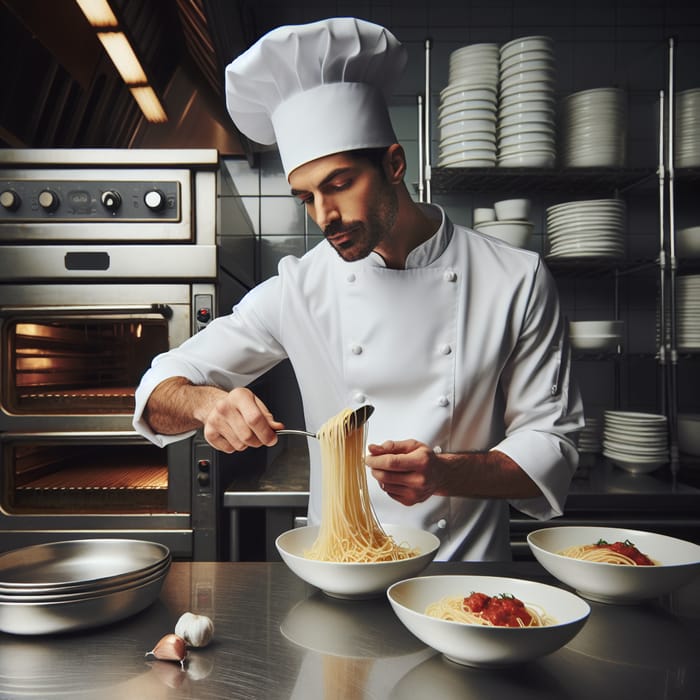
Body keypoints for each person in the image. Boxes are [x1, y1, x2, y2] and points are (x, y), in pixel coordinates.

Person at [133, 17, 583, 561]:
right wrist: (208, 404)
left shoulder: (516, 279)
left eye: (340, 184)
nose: (326, 216)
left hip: (463, 583)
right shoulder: (300, 288)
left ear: (395, 164)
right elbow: (156, 393)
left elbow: (551, 448)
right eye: (307, 197)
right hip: (340, 573)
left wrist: (444, 471)